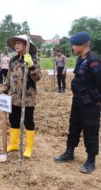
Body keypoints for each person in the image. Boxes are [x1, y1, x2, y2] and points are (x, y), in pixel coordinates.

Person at [54, 32, 101, 174]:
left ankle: (91, 160)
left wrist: (98, 100)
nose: (73, 47)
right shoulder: (81, 59)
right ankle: (69, 152)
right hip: (78, 100)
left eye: (74, 45)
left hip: (90, 103)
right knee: (73, 127)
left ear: (82, 45)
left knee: (90, 130)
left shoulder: (94, 60)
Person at [3, 35, 41, 158]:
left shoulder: (33, 59)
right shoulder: (13, 60)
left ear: (26, 46)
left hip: (28, 97)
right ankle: (14, 144)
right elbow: (9, 77)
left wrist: (31, 66)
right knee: (13, 120)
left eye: (19, 43)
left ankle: (29, 147)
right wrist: (5, 90)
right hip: (14, 96)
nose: (16, 45)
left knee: (28, 121)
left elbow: (37, 78)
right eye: (15, 43)